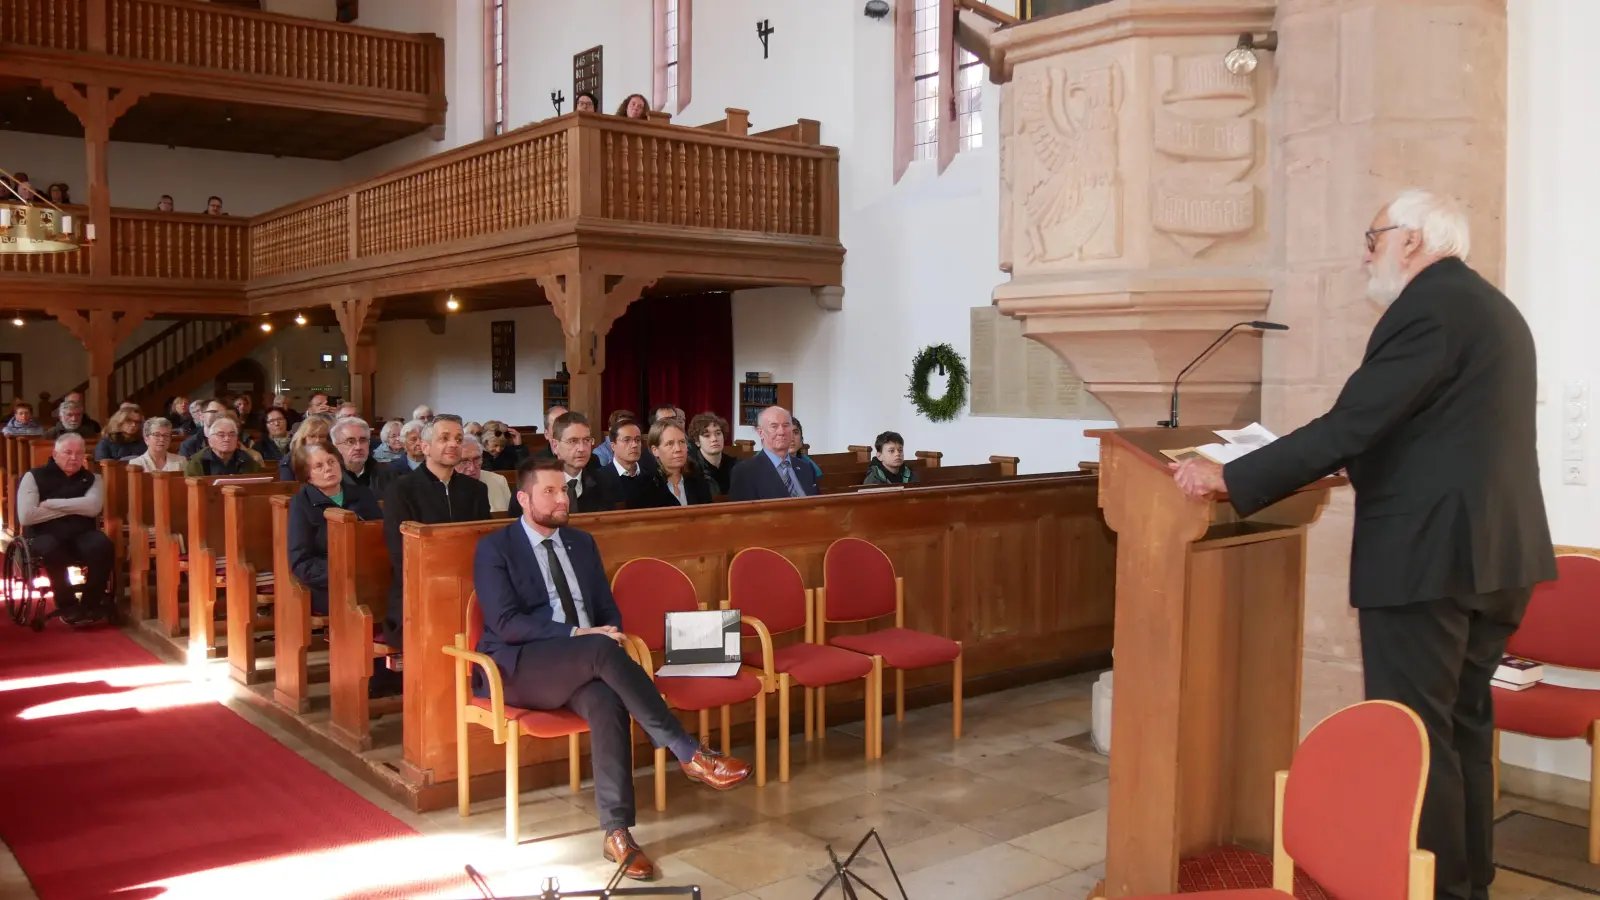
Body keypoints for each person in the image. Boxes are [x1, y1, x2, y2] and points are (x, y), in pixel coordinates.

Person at [1170, 189, 1555, 900]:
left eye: (1373, 237)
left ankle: (1431, 889)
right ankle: (1468, 885)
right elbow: (1437, 433)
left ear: (1412, 240)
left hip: (1429, 560)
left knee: (1416, 739)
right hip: (1493, 555)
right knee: (1462, 729)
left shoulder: (1429, 307)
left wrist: (1233, 476)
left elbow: (1353, 420)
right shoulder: (1487, 308)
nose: (1365, 253)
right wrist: (1362, 461)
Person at [473, 455, 752, 879]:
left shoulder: (581, 544)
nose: (561, 498)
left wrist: (605, 634)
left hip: (586, 661)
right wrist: (579, 638)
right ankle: (688, 751)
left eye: (563, 489)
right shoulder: (496, 547)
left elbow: (605, 608)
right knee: (600, 650)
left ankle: (616, 832)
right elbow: (506, 623)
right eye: (549, 491)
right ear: (523, 498)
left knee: (606, 700)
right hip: (521, 666)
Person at [382, 415, 489, 648]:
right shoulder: (401, 490)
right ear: (425, 446)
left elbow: (484, 544)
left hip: (468, 589)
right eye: (444, 438)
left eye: (458, 439)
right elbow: (401, 554)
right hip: (418, 591)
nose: (453, 444)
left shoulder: (476, 490)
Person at [17, 434, 114, 624]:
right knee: (52, 549)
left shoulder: (92, 478)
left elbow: (93, 507)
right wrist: (77, 506)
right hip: (44, 533)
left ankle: (90, 604)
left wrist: (50, 504)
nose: (73, 458)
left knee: (103, 545)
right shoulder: (34, 476)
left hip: (81, 533)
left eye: (79, 453)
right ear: (55, 454)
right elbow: (27, 516)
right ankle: (67, 604)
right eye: (68, 453)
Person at [287, 439, 383, 616]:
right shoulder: (301, 504)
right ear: (307, 475)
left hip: (371, 575)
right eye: (318, 466)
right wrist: (344, 570)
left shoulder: (362, 494)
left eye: (331, 462)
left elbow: (380, 535)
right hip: (329, 583)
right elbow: (301, 563)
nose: (328, 468)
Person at [728, 406, 819, 501]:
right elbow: (742, 514)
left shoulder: (806, 467)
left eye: (786, 425)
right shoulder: (745, 472)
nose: (781, 432)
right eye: (774, 426)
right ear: (760, 432)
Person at [631, 420, 712, 509]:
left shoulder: (697, 479)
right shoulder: (643, 486)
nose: (678, 449)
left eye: (682, 442)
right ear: (655, 450)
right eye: (670, 444)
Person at [332, 415, 395, 495]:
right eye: (350, 441)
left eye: (363, 440)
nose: (358, 447)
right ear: (336, 447)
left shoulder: (388, 475)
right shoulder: (330, 477)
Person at [183, 415, 263, 475]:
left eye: (231, 435)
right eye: (221, 435)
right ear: (210, 440)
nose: (227, 438)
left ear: (237, 439)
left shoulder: (247, 460)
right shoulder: (197, 462)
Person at [595, 416, 647, 508]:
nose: (634, 445)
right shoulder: (598, 480)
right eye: (627, 440)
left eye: (637, 440)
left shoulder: (652, 478)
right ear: (613, 446)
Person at [457, 434, 512, 513]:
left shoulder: (499, 480)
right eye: (464, 461)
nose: (472, 468)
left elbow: (511, 518)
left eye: (477, 459)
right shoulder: (444, 486)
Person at [687, 413, 735, 496]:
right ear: (697, 441)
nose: (714, 439)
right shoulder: (690, 468)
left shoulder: (735, 465)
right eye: (707, 435)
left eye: (718, 433)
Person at [278, 415, 334, 481]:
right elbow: (288, 488)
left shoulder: (333, 456)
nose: (317, 440)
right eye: (312, 436)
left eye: (322, 436)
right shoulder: (289, 461)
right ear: (303, 438)